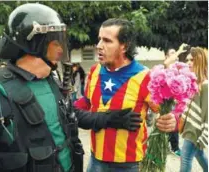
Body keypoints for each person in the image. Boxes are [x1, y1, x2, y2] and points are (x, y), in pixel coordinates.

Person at [0, 4, 143, 172]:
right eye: (55, 43)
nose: (61, 50)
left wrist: (109, 119)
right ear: (33, 45)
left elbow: (70, 116)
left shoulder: (51, 79)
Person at [74, 18, 178, 172]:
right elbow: (87, 103)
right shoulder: (94, 71)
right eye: (99, 39)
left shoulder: (145, 77)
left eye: (107, 41)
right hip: (95, 161)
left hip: (130, 166)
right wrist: (65, 109)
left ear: (124, 46)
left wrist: (172, 120)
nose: (99, 46)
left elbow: (165, 112)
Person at [180, 47, 208, 172]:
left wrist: (204, 134)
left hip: (196, 130)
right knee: (199, 154)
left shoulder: (205, 85)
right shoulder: (193, 82)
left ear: (199, 61)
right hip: (189, 126)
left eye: (192, 60)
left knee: (185, 158)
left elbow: (207, 113)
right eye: (187, 60)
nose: (188, 63)